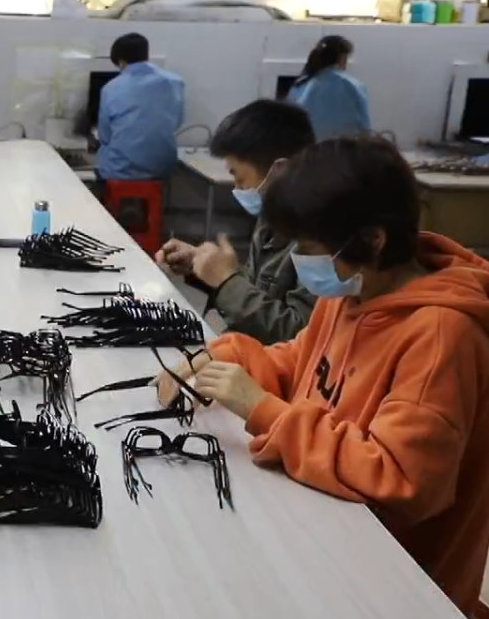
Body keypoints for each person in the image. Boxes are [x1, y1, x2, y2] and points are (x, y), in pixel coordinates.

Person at [157, 136, 489, 615]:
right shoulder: (354, 289)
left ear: (373, 239)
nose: (301, 262)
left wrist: (264, 410)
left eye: (310, 249)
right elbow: (303, 362)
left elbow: (401, 480)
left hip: (392, 585)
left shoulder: (441, 335)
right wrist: (228, 357)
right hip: (321, 530)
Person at [155, 99, 317, 344]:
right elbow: (259, 288)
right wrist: (202, 267)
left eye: (240, 178)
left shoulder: (319, 237)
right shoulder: (271, 219)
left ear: (280, 170)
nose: (238, 189)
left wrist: (225, 281)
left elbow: (298, 334)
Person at [95, 32, 185, 191]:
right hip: (162, 167)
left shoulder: (111, 88)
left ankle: (106, 202)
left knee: (101, 165)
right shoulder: (175, 82)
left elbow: (105, 136)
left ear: (120, 61)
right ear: (146, 55)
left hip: (121, 170)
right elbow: (177, 122)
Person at [287, 35, 371, 140]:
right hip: (341, 147)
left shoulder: (301, 83)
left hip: (307, 146)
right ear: (342, 57)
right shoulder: (351, 85)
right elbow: (364, 126)